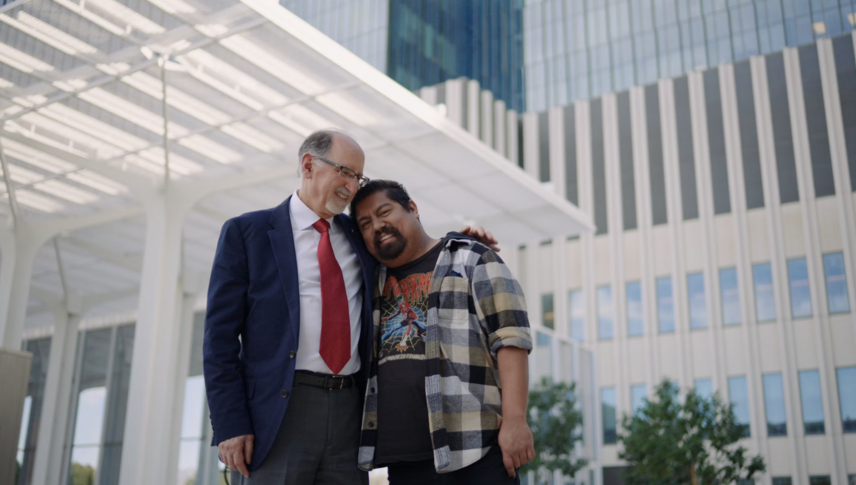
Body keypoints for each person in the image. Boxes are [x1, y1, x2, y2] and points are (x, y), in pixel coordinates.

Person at [203, 130, 497, 485]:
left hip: (351, 413)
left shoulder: (360, 235)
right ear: (308, 165)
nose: (351, 186)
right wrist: (230, 423)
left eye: (358, 176)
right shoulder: (246, 233)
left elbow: (408, 246)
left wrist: (460, 240)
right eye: (344, 171)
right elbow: (218, 341)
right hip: (278, 412)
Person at [350, 180, 535, 485]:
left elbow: (511, 338)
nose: (377, 226)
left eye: (385, 212)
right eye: (365, 223)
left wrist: (516, 421)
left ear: (412, 208)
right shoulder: (369, 283)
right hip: (403, 461)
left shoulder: (471, 259)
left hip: (475, 450)